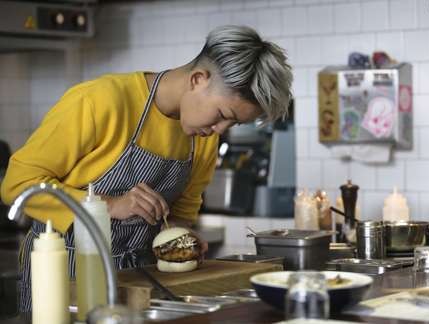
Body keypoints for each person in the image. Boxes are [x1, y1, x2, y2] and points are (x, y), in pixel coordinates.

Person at [0, 25, 293, 311]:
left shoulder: (203, 139)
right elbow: (18, 183)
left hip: (141, 282)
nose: (220, 130)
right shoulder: (100, 101)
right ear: (198, 79)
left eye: (234, 124)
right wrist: (110, 205)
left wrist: (182, 241)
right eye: (222, 115)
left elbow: (182, 214)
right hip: (65, 278)